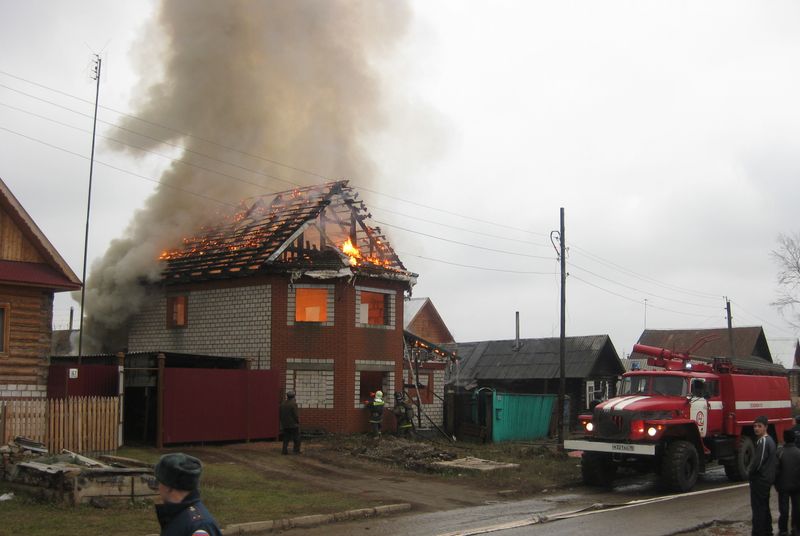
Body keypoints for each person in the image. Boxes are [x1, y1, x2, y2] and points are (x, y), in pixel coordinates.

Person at [154, 452, 222, 536]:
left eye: (159, 482)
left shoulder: (199, 526)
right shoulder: (178, 515)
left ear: (168, 487)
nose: (158, 487)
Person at [750, 415, 778, 536]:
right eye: (755, 426)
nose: (756, 428)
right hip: (766, 480)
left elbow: (758, 462)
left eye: (759, 426)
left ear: (766, 427)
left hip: (760, 481)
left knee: (758, 509)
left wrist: (750, 473)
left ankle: (759, 532)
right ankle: (767, 530)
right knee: (764, 507)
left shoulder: (764, 441)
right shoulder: (770, 440)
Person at [776, 429, 800, 536]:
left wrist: (776, 484)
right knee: (797, 508)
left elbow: (775, 470)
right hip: (797, 486)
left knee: (784, 509)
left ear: (784, 439)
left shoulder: (779, 452)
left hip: (783, 486)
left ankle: (783, 530)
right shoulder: (798, 452)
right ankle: (796, 528)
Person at [279, 390, 301, 455]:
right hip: (293, 424)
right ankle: (296, 451)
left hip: (285, 424)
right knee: (297, 438)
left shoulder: (282, 404)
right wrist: (298, 422)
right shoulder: (293, 404)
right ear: (293, 396)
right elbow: (295, 415)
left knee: (286, 438)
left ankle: (284, 450)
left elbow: (280, 414)